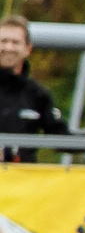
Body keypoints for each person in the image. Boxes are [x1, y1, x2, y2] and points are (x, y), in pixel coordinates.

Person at [0, 17, 69, 158]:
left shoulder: (37, 94)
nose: (8, 48)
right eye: (3, 41)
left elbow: (60, 138)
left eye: (15, 42)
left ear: (28, 49)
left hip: (21, 178)